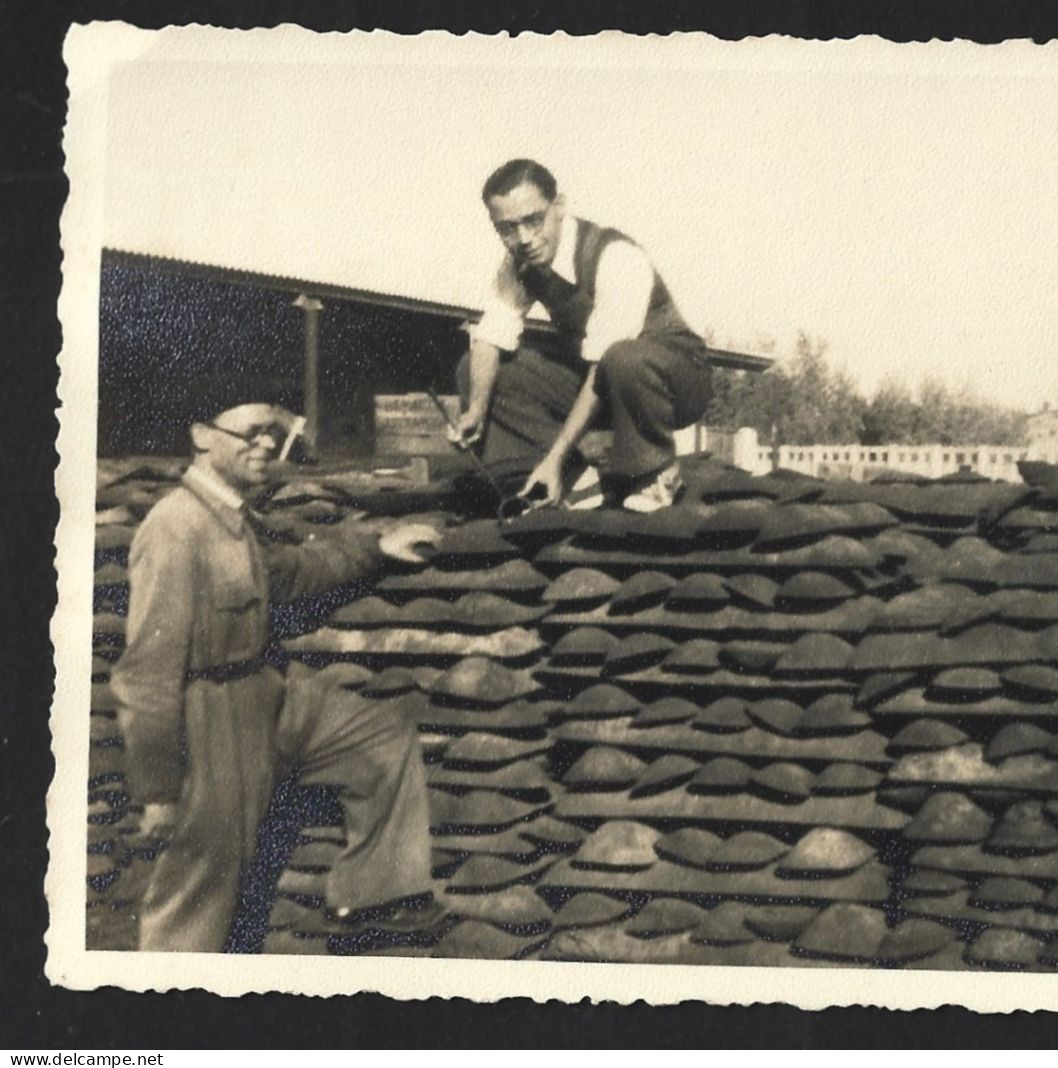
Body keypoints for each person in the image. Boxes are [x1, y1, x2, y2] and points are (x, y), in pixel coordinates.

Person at [110, 402, 447, 952]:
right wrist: (158, 789)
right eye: (250, 433)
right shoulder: (176, 527)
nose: (266, 444)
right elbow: (146, 668)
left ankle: (373, 897)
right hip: (211, 711)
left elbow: (295, 572)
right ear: (202, 437)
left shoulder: (237, 517)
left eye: (272, 433)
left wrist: (375, 549)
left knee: (380, 735)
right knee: (203, 885)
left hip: (268, 691)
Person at [450, 158, 713, 512]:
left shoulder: (614, 255)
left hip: (674, 382)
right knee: (478, 367)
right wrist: (476, 411)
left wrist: (556, 454)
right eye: (507, 228)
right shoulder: (517, 265)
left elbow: (605, 361)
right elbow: (491, 335)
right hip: (606, 378)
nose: (523, 238)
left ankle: (656, 472)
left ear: (559, 206)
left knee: (623, 357)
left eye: (533, 220)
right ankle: (558, 482)